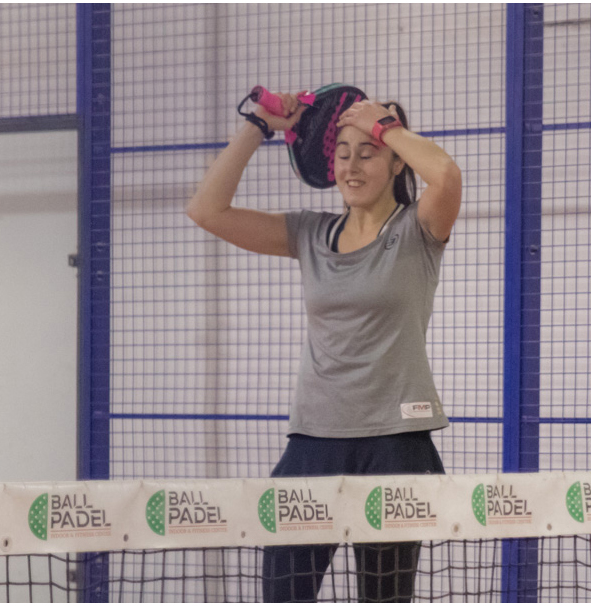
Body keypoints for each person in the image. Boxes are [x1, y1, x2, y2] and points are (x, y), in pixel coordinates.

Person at [186, 91, 461, 602]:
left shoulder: (419, 227)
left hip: (396, 443)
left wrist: (384, 125)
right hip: (313, 442)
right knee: (283, 594)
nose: (351, 167)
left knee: (385, 598)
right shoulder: (310, 233)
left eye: (368, 153)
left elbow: (446, 175)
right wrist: (259, 126)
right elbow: (206, 209)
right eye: (342, 153)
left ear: (396, 161)